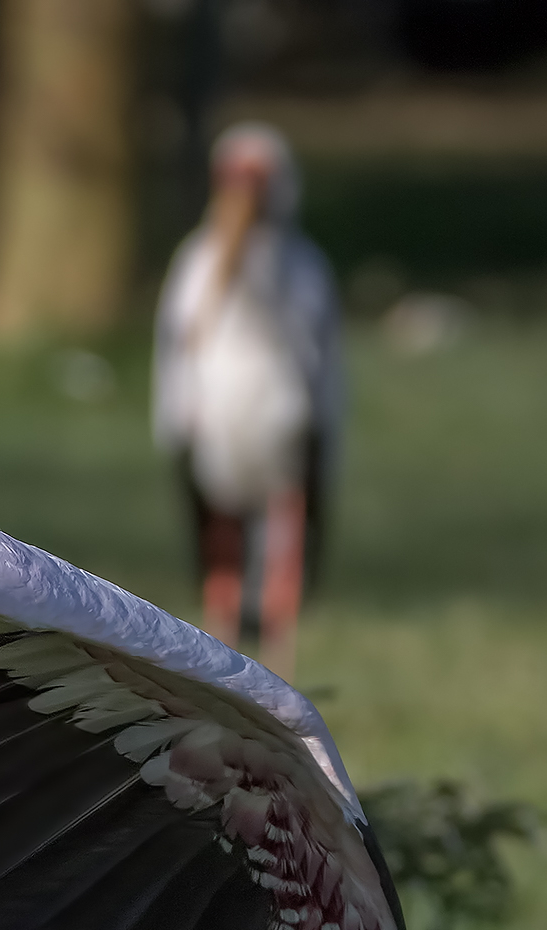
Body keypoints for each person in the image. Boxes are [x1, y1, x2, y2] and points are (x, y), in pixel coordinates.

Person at [152, 123, 343, 680]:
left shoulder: (306, 270)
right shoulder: (195, 265)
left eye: (255, 181)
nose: (243, 195)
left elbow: (325, 380)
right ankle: (217, 661)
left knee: (288, 523)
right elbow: (176, 363)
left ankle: (282, 668)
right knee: (219, 531)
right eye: (232, 180)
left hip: (289, 428)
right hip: (210, 428)